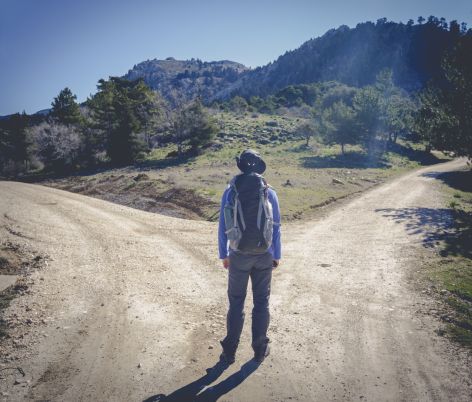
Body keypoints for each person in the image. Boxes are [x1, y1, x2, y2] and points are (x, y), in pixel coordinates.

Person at [218, 149, 282, 364]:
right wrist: (276, 254)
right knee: (261, 302)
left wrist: (224, 253)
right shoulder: (268, 191)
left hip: (238, 254)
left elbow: (223, 226)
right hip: (264, 254)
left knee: (236, 302)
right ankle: (259, 349)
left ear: (241, 166)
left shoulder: (230, 190)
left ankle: (229, 352)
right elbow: (276, 226)